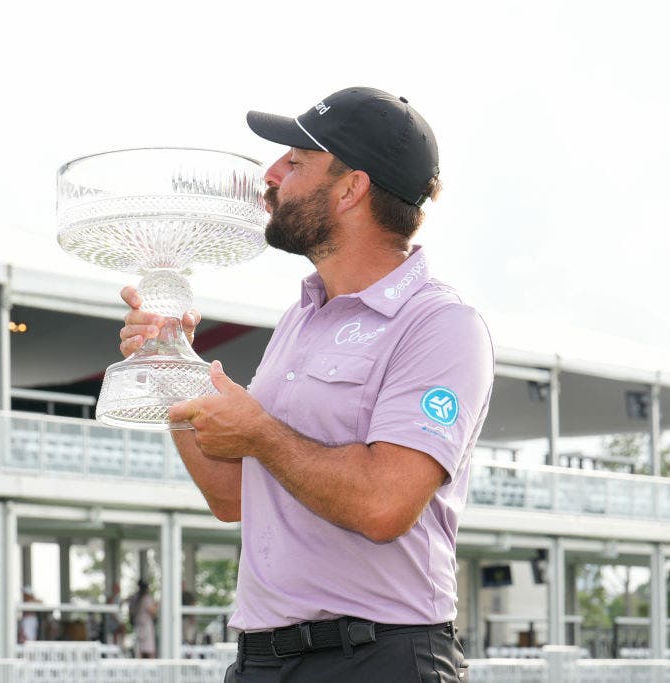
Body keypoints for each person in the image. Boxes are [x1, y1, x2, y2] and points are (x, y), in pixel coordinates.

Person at [118, 87, 494, 682]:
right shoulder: (301, 317)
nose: (270, 175)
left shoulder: (441, 324)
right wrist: (172, 370)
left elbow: (383, 504)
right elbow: (233, 498)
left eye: (294, 162)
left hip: (381, 659)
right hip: (263, 661)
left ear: (352, 188)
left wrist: (261, 433)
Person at [129, 579, 158, 659]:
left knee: (139, 650)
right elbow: (152, 611)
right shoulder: (146, 598)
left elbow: (130, 612)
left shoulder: (134, 598)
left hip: (137, 626)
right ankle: (151, 669)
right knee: (149, 650)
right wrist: (156, 605)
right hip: (146, 626)